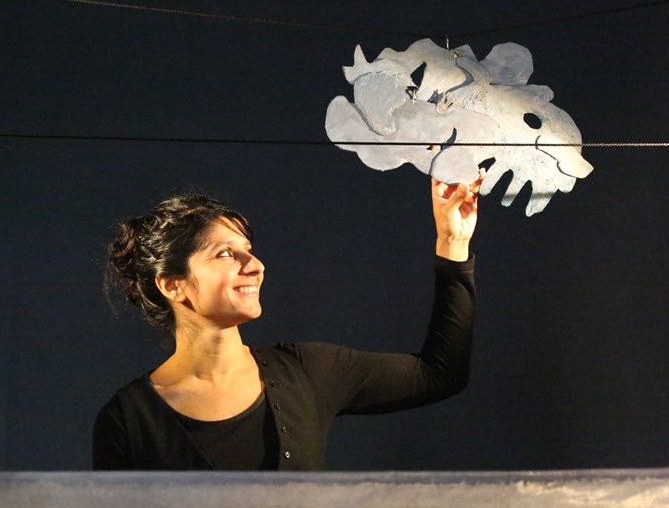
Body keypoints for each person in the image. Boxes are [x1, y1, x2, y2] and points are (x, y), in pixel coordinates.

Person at [93, 172, 483, 470]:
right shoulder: (128, 418)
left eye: (248, 250)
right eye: (225, 254)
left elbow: (439, 373)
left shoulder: (306, 371)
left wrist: (454, 243)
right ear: (173, 285)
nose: (255, 265)